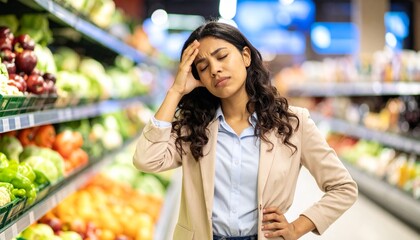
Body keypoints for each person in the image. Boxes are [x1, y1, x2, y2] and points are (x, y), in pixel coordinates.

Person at [133, 21, 358, 240]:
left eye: (222, 57)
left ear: (246, 56)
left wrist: (296, 228)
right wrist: (176, 90)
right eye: (203, 67)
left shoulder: (292, 123)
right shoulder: (193, 127)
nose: (215, 69)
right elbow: (146, 159)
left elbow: (343, 187)